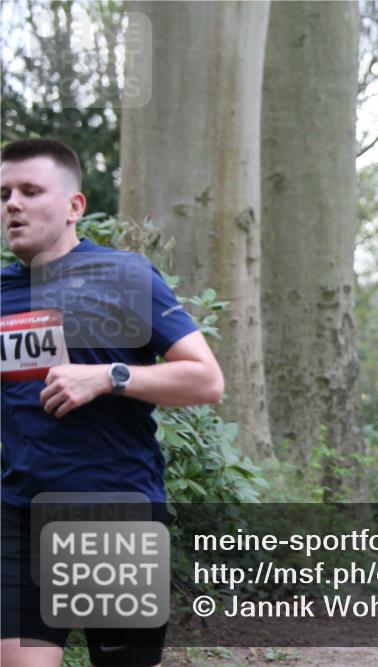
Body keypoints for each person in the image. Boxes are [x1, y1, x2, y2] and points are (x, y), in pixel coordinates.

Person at [1, 138, 225, 667]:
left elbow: (205, 380)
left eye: (30, 191)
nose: (12, 204)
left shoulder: (124, 276)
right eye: (4, 193)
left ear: (74, 207)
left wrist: (108, 376)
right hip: (20, 515)